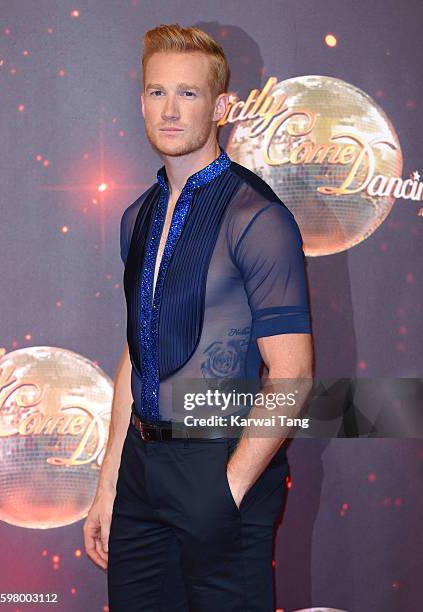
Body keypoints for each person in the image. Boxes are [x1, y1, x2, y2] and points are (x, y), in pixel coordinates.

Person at [83, 23, 314, 612]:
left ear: (221, 105)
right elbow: (139, 350)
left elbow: (291, 376)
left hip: (218, 463)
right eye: (157, 92)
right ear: (141, 101)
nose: (169, 109)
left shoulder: (257, 217)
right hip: (140, 473)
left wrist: (228, 488)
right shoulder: (137, 216)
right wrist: (109, 481)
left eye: (188, 93)